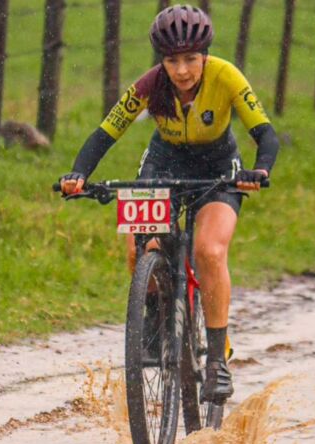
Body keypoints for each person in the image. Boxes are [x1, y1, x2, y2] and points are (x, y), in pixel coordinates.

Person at [59, 4, 280, 403]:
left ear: (205, 56)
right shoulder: (150, 85)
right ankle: (154, 319)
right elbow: (106, 133)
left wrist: (260, 169)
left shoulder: (226, 76)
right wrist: (78, 173)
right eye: (172, 61)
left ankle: (217, 360)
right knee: (139, 247)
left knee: (209, 251)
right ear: (161, 60)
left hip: (217, 167)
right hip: (164, 162)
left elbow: (265, 134)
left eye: (191, 59)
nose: (182, 71)